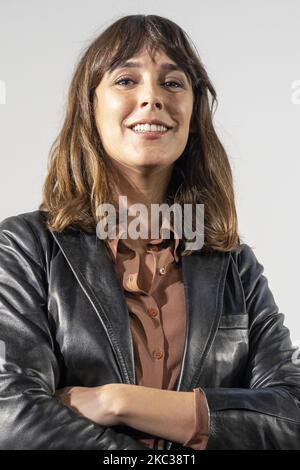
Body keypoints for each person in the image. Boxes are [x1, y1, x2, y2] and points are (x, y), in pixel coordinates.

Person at [0, 14, 299, 450]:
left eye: (173, 83)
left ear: (193, 113)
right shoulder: (26, 248)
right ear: (90, 107)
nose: (152, 98)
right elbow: (11, 415)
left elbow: (289, 415)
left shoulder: (234, 265)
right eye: (126, 80)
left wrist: (119, 401)